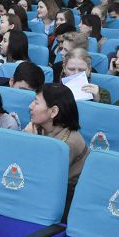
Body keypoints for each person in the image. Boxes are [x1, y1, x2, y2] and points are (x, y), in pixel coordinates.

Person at [24, 83, 89, 217]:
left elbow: (43, 177)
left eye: (36, 102)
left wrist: (32, 142)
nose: (30, 106)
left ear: (53, 111)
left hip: (67, 197)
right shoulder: (39, 128)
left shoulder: (69, 142)